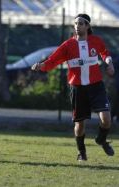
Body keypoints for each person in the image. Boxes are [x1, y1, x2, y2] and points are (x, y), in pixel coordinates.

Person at [31, 13, 115, 161]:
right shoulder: (68, 45)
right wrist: (41, 66)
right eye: (75, 23)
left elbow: (105, 53)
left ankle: (101, 140)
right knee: (80, 126)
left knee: (106, 119)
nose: (77, 26)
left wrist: (109, 63)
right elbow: (52, 61)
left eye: (81, 23)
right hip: (77, 88)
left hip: (96, 86)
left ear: (88, 26)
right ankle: (81, 152)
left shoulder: (95, 41)